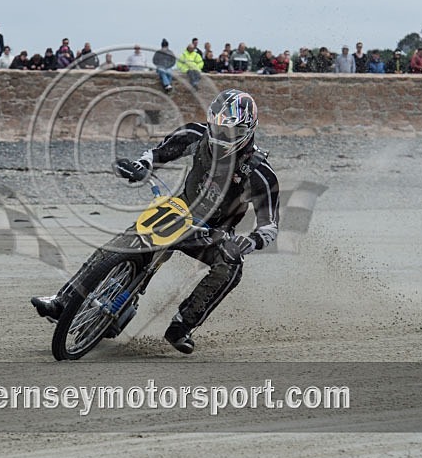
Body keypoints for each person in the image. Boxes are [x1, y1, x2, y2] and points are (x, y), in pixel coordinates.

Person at [32, 89, 280, 354]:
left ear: (248, 130)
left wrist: (249, 241)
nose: (220, 137)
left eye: (228, 132)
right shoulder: (196, 134)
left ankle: (183, 325)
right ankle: (63, 300)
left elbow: (270, 227)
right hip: (179, 209)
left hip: (214, 233)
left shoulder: (260, 174)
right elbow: (158, 153)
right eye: (217, 129)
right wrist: (141, 165)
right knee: (126, 241)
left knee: (231, 265)